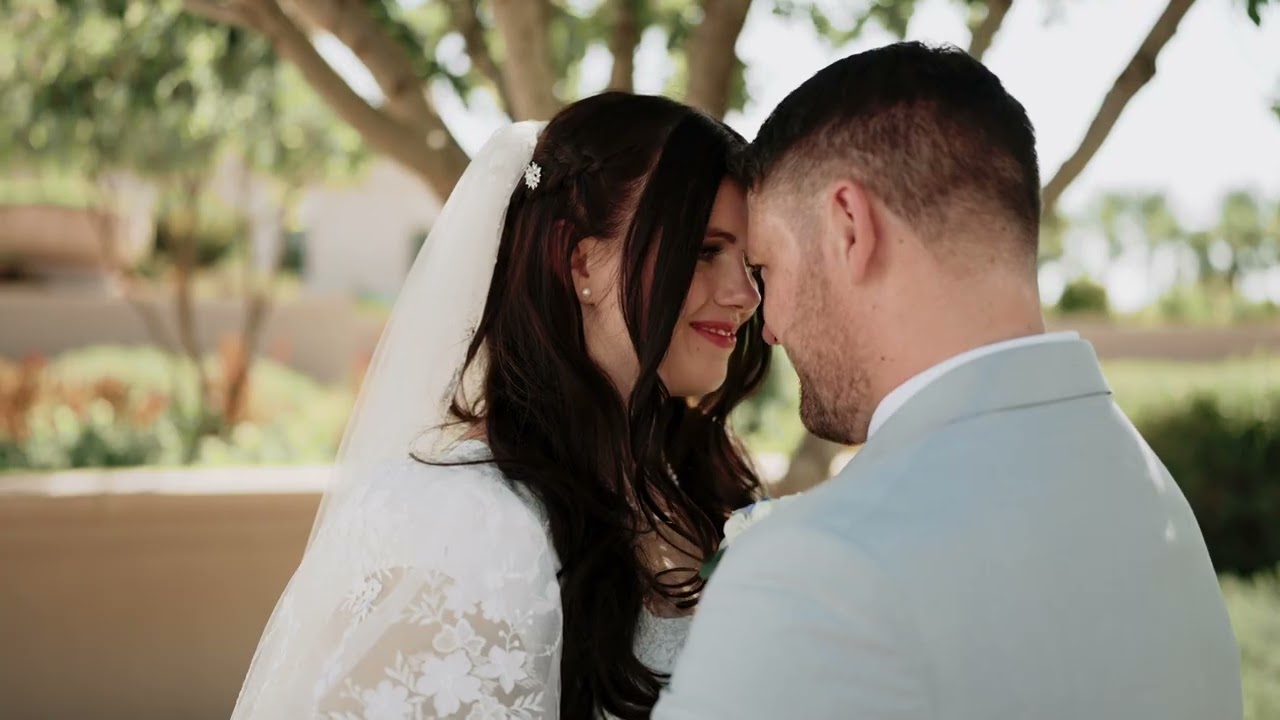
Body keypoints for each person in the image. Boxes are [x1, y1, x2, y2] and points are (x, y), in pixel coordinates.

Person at [653, 41, 1242, 719]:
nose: (771, 324)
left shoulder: (815, 568)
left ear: (849, 226)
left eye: (767, 268)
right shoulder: (1156, 501)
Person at [229, 92, 770, 719]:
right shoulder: (461, 524)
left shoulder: (693, 489)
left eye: (750, 261)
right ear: (581, 261)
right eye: (705, 251)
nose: (745, 295)